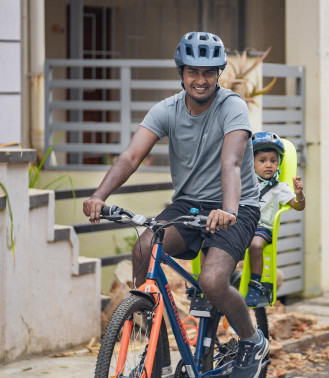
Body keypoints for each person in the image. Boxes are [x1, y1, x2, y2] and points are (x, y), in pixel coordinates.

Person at [83, 31, 268, 377]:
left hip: (237, 207)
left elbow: (231, 162)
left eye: (209, 72)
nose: (201, 80)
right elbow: (131, 155)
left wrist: (228, 209)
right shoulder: (166, 110)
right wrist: (98, 196)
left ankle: (253, 340)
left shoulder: (233, 107)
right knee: (143, 248)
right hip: (189, 204)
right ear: (181, 73)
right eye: (193, 72)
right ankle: (156, 347)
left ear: (219, 74)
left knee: (213, 281)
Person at [245, 131, 306, 307]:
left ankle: (255, 285)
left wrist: (299, 194)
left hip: (263, 228)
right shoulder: (246, 183)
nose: (269, 165)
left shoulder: (280, 188)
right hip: (243, 225)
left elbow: (298, 206)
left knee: (256, 245)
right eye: (262, 160)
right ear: (252, 163)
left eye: (273, 160)